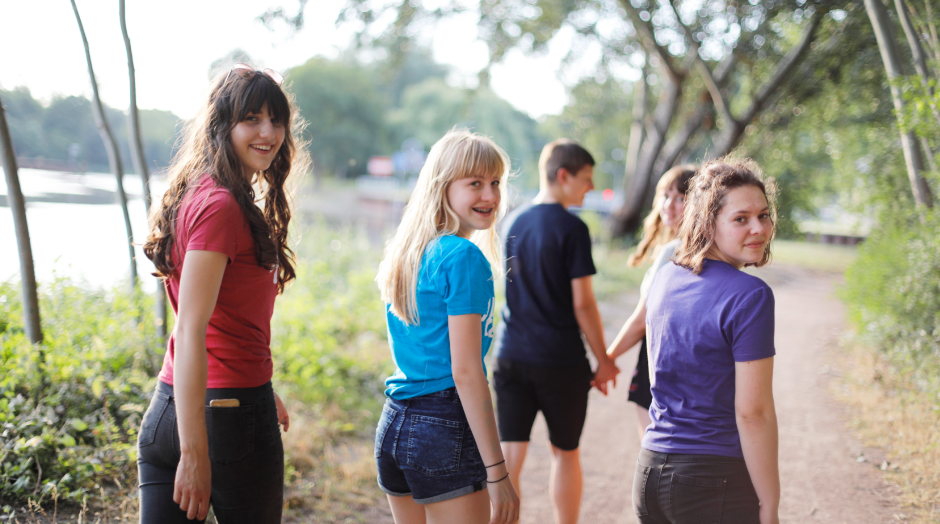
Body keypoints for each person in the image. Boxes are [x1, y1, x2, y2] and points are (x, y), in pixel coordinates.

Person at [139, 63, 306, 523]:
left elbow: (220, 319)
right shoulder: (221, 206)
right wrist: (195, 453)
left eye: (276, 119)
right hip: (223, 420)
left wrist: (257, 382)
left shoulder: (199, 191)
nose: (268, 132)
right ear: (222, 125)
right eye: (251, 118)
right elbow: (190, 328)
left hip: (171, 409)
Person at [374, 129, 520, 524]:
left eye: (495, 183)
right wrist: (498, 472)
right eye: (475, 183)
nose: (490, 196)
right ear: (442, 187)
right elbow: (467, 371)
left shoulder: (408, 250)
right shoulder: (462, 256)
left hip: (395, 421)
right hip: (443, 425)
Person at [633, 157, 780, 524]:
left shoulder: (665, 277)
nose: (758, 228)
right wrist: (770, 503)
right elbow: (753, 413)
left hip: (649, 474)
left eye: (763, 215)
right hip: (713, 481)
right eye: (741, 218)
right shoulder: (750, 295)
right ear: (708, 221)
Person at [492, 139, 619, 524]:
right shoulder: (572, 228)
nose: (589, 189)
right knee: (564, 452)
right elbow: (583, 303)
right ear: (563, 176)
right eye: (585, 179)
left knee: (510, 456)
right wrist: (605, 360)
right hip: (560, 362)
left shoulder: (511, 221)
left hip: (510, 355)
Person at [606, 165, 697, 442]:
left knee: (654, 455)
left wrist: (606, 359)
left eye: (681, 198)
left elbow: (641, 320)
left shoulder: (674, 250)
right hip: (688, 363)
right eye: (665, 195)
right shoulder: (703, 248)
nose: (669, 205)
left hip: (659, 360)